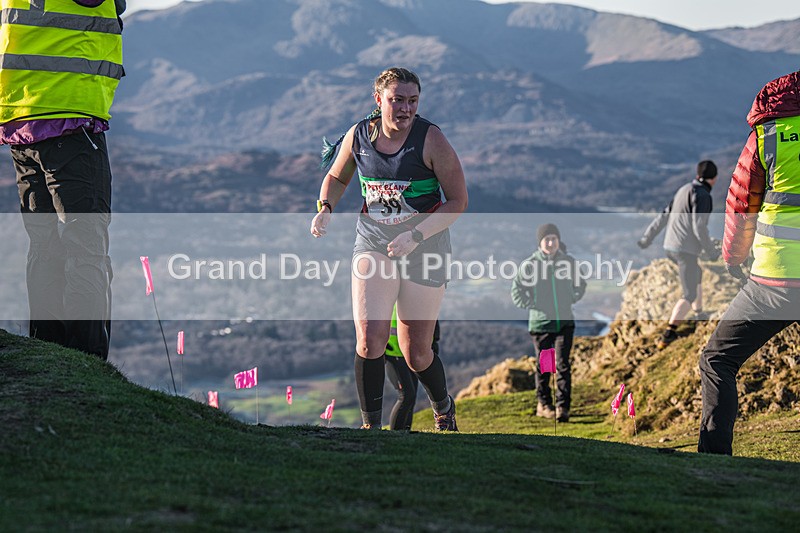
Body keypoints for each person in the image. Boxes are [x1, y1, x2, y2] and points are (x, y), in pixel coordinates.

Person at [310, 67, 468, 431]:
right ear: (378, 99)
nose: (405, 109)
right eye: (397, 100)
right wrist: (325, 208)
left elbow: (457, 201)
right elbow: (336, 177)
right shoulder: (359, 135)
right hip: (373, 241)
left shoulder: (431, 140)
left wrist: (416, 235)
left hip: (425, 246)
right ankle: (371, 428)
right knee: (370, 340)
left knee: (416, 353)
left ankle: (444, 409)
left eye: (413, 100)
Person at [0, 0, 125, 360]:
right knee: (86, 247)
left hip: (21, 117)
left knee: (44, 247)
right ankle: (87, 360)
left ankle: (47, 351)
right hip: (68, 115)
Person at [698, 71, 800, 455]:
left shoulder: (767, 136)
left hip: (774, 283)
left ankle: (713, 460)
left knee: (717, 360)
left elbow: (741, 204)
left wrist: (734, 257)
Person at [637, 160, 721, 349]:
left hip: (670, 247)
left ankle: (699, 314)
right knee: (689, 293)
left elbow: (663, 216)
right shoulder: (703, 195)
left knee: (697, 273)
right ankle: (669, 333)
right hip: (685, 251)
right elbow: (699, 227)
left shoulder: (684, 189)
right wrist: (711, 251)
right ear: (714, 178)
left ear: (697, 174)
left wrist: (646, 238)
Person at [511, 223, 586, 422]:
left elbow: (580, 284)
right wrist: (532, 304)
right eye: (547, 239)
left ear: (559, 240)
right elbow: (516, 290)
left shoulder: (568, 262)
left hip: (565, 323)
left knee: (562, 365)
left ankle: (563, 407)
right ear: (540, 243)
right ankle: (544, 404)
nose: (551, 243)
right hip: (541, 325)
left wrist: (572, 297)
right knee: (545, 366)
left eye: (554, 239)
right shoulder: (530, 265)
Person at [384, 305, 441, 430]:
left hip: (411, 355)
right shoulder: (391, 301)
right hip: (394, 355)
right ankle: (395, 434)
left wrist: (433, 343)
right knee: (406, 395)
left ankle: (405, 432)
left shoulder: (418, 300)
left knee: (412, 396)